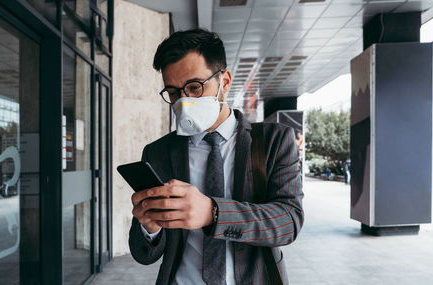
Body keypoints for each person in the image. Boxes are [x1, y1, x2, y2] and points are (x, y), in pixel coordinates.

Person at [128, 29, 304, 285]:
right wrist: (149, 228)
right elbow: (143, 254)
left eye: (195, 87)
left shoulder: (274, 141)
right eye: (174, 93)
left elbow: (289, 221)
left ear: (225, 81)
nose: (184, 102)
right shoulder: (158, 153)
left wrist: (213, 213)